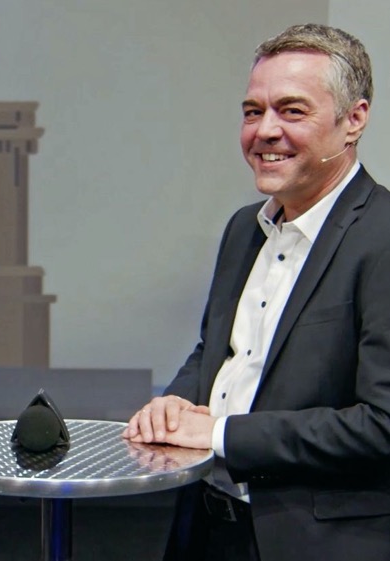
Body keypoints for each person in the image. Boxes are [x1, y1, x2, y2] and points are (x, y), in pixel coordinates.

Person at [122, 23, 390, 561]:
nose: (265, 131)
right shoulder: (244, 228)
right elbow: (218, 352)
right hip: (205, 525)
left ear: (354, 120)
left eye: (292, 111)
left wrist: (221, 435)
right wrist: (175, 403)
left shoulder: (382, 236)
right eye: (252, 111)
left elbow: (382, 425)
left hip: (315, 543)